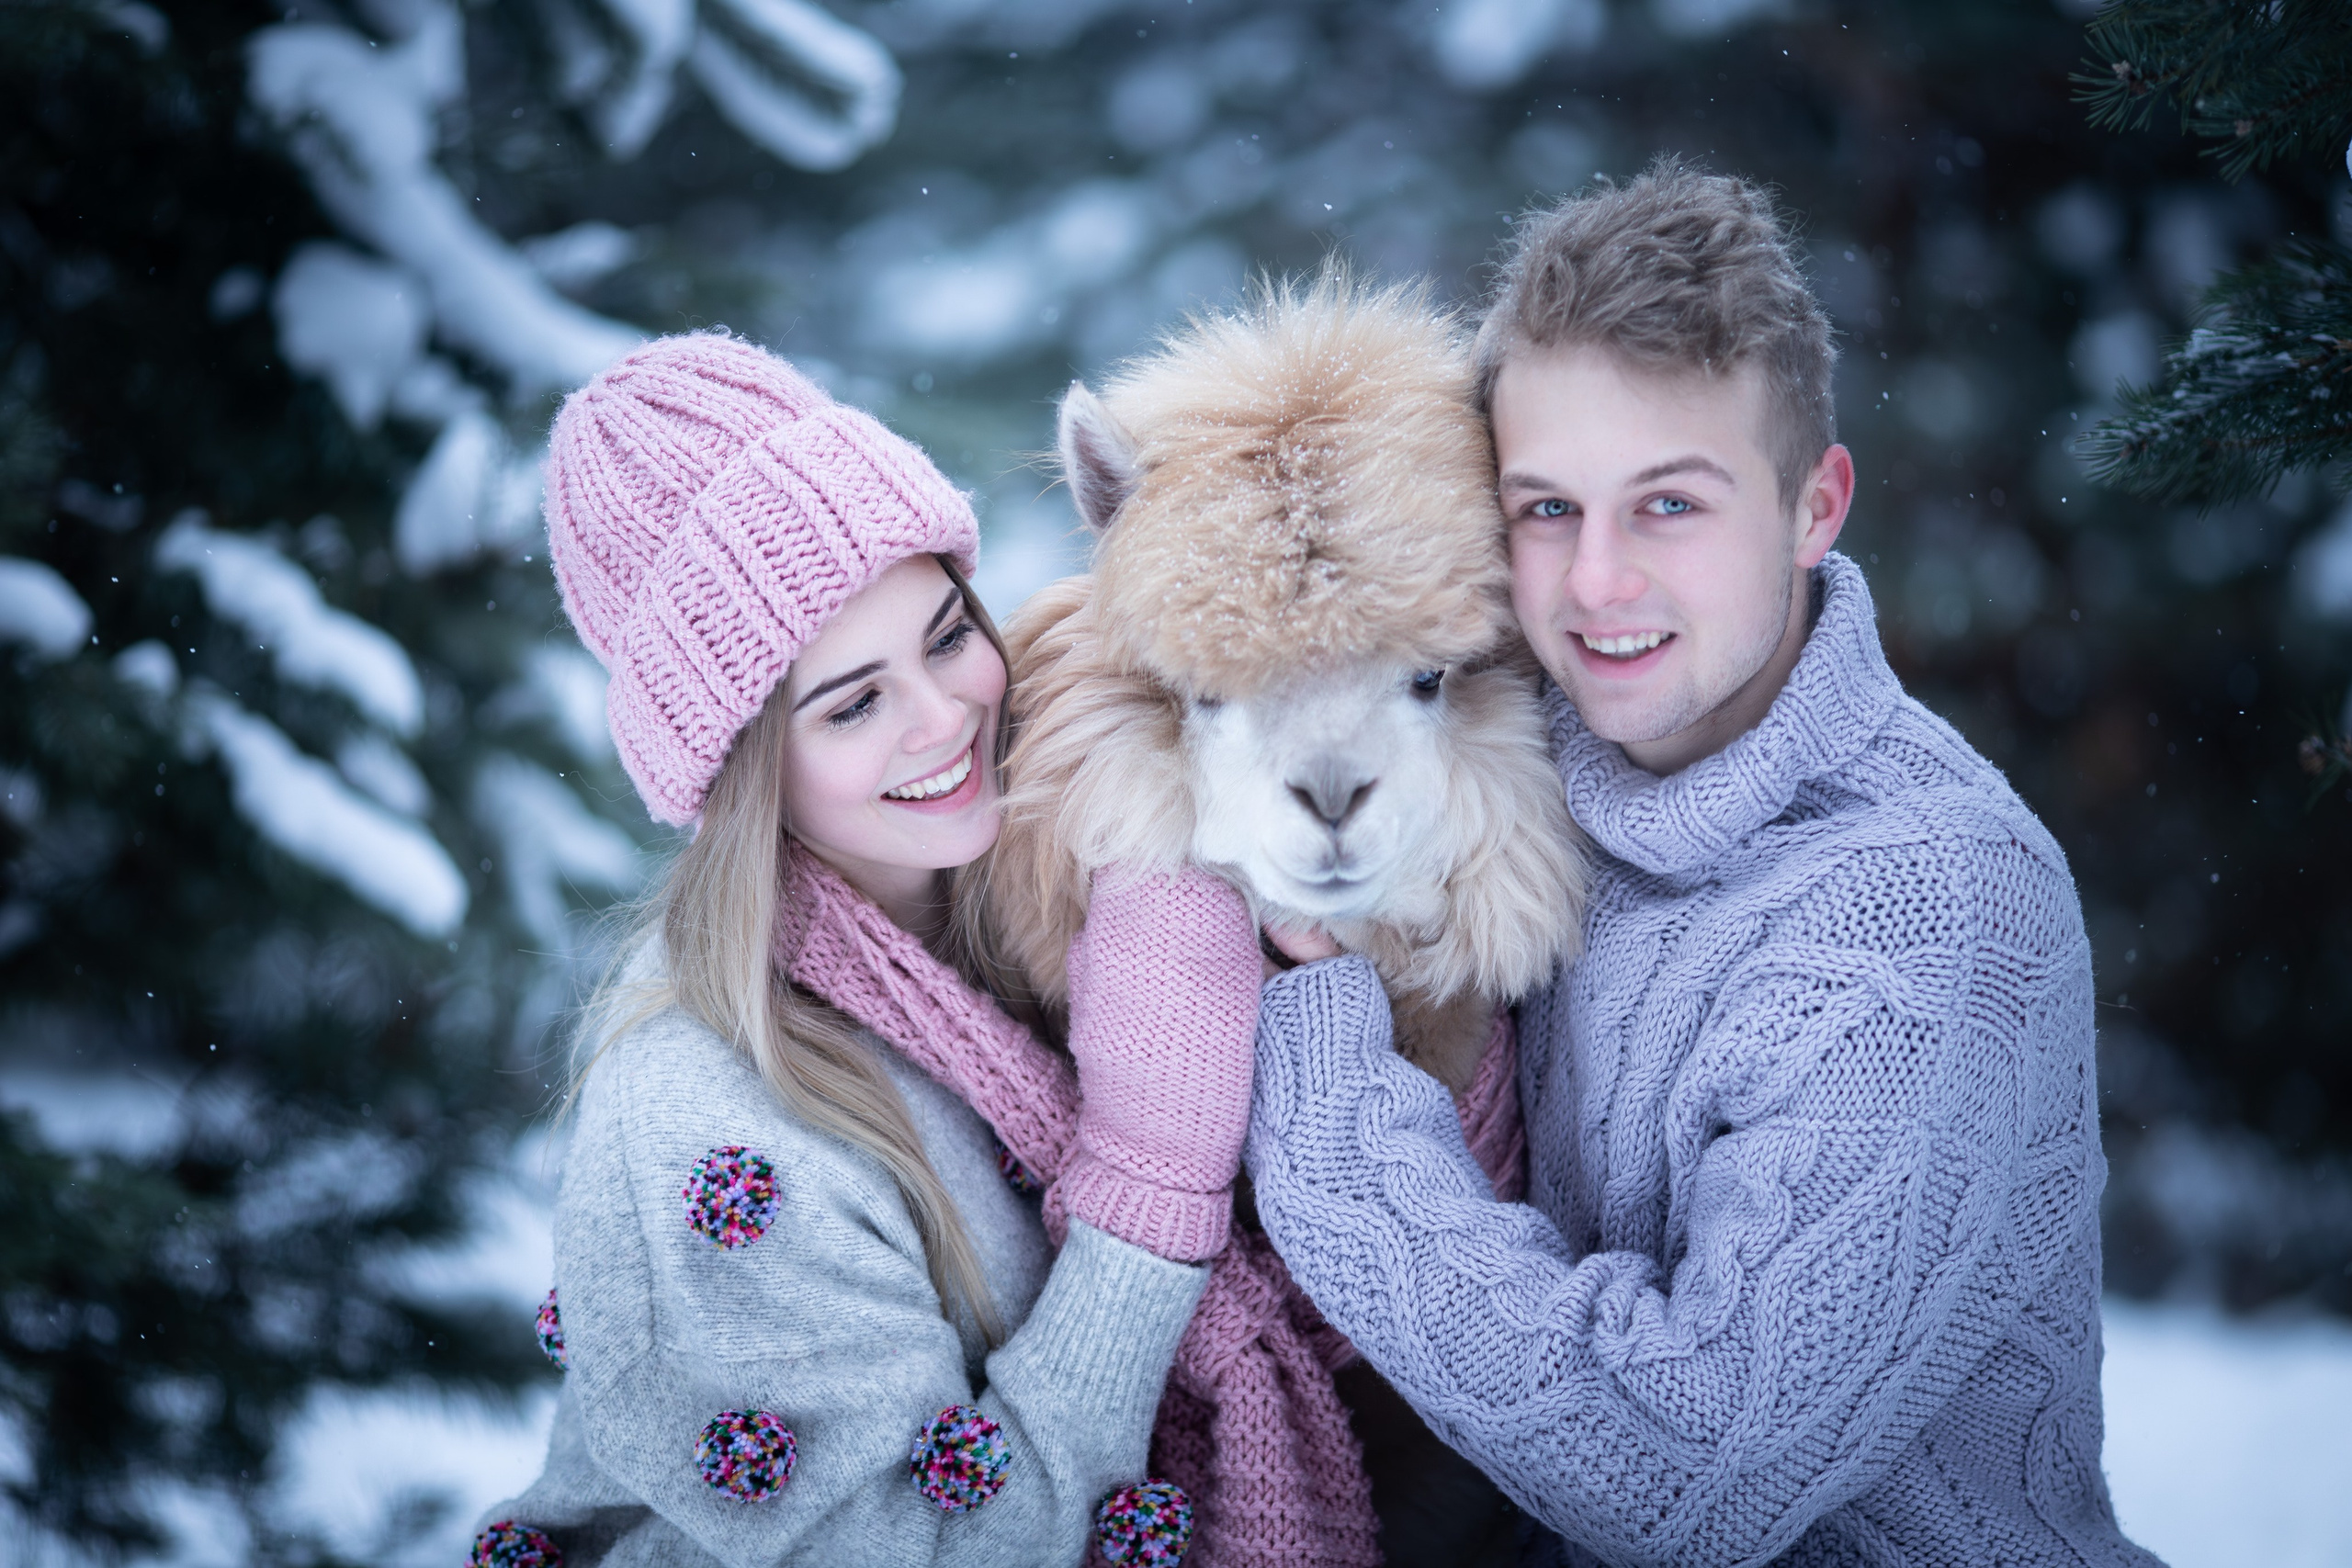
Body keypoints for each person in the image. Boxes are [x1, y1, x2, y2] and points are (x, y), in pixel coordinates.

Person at [1245, 163, 2163, 1567]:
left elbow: (1681, 1477)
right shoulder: (1512, 755)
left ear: (1814, 506)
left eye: (1668, 505)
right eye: (1546, 509)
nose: (1597, 583)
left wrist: (1328, 1111)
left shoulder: (1929, 906)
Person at [469, 333, 1265, 1568]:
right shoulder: (707, 1123)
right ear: (741, 775)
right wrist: (1149, 1198)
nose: (947, 716)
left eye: (948, 635)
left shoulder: (1069, 862)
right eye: (853, 703)